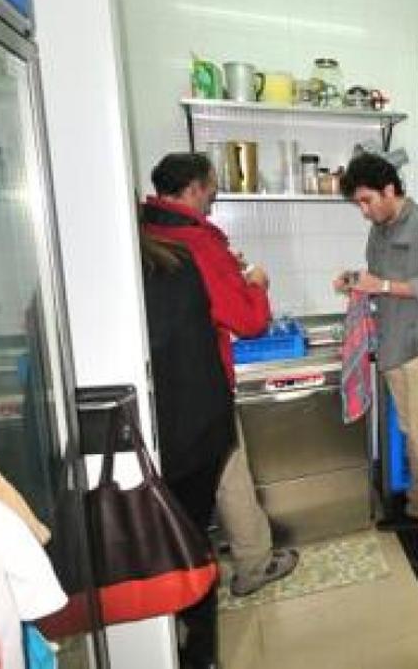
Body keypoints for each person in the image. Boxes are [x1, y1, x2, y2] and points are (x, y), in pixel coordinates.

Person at [141, 153, 298, 601]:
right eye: (211, 186)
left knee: (226, 471)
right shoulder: (199, 242)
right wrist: (257, 282)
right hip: (201, 383)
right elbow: (248, 320)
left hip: (161, 386)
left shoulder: (148, 229)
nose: (213, 194)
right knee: (226, 462)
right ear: (193, 188)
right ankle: (245, 566)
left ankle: (239, 562)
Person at [334, 154, 418, 568]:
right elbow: (377, 282)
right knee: (409, 432)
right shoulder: (378, 232)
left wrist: (381, 283)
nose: (364, 210)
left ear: (389, 190)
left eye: (368, 201)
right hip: (394, 343)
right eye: (359, 205)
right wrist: (355, 281)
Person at [139, 227, 232, 669]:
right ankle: (199, 650)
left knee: (173, 550)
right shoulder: (176, 260)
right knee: (193, 543)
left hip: (178, 435)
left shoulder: (146, 272)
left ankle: (188, 652)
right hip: (203, 428)